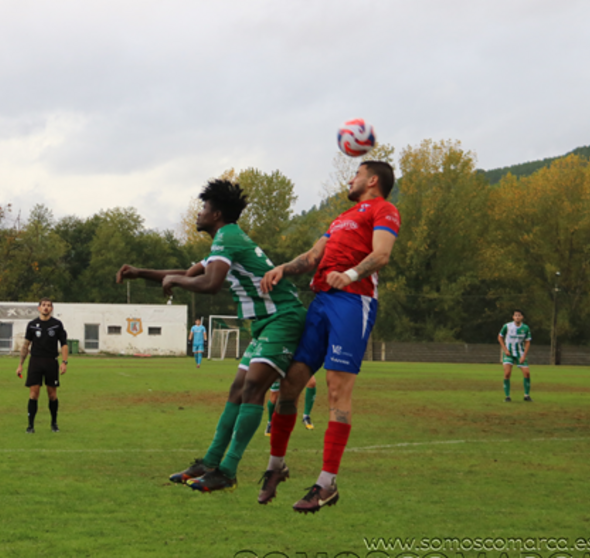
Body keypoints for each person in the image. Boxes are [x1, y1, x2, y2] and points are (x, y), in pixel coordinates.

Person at [117, 179, 306, 492]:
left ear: (216, 214)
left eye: (204, 207)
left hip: (283, 317)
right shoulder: (225, 240)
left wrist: (176, 281)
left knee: (253, 387)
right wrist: (139, 273)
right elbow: (188, 274)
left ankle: (227, 471)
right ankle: (210, 463)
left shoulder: (227, 237)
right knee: (238, 389)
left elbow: (210, 284)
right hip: (265, 322)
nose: (199, 213)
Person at [257, 160, 400, 513]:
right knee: (289, 384)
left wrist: (350, 275)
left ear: (372, 180)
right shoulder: (340, 218)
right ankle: (276, 467)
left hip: (352, 302)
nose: (350, 180)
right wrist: (282, 268)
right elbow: (311, 257)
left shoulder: (384, 209)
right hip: (321, 302)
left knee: (336, 390)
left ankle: (326, 483)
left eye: (356, 174)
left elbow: (382, 254)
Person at [16, 298, 69, 433]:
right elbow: (26, 345)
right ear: (39, 308)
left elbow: (64, 344)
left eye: (48, 305)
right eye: (43, 305)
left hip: (51, 361)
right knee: (34, 394)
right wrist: (20, 364)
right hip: (35, 362)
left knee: (52, 394)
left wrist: (64, 362)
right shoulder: (32, 325)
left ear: (51, 309)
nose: (46, 307)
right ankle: (30, 426)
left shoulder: (57, 325)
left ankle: (54, 423)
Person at [498, 310, 532, 402]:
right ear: (513, 317)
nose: (517, 317)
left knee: (527, 373)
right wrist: (505, 349)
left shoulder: (525, 328)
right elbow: (500, 337)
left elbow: (528, 342)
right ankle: (507, 396)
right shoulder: (507, 326)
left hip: (520, 353)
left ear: (522, 317)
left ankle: (526, 395)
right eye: (516, 315)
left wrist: (524, 355)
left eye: (519, 315)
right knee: (507, 373)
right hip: (508, 353)